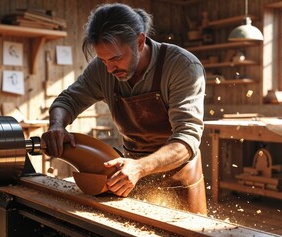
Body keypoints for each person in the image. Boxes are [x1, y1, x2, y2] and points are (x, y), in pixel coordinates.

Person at [42, 3, 206, 214]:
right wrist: (56, 125)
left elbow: (187, 140)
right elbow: (67, 100)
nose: (109, 69)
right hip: (128, 174)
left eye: (116, 58)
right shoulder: (103, 69)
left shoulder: (182, 66)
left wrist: (140, 167)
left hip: (177, 176)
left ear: (139, 42)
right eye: (103, 60)